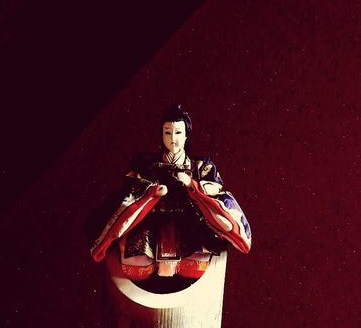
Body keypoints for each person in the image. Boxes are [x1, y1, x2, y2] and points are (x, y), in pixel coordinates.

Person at [89, 105, 251, 281]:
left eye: (178, 133)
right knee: (137, 262)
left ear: (187, 135)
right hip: (151, 218)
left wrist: (192, 184)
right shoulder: (145, 162)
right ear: (161, 134)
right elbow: (131, 184)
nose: (173, 139)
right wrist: (151, 191)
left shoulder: (201, 165)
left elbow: (214, 187)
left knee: (196, 260)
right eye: (168, 133)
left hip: (190, 218)